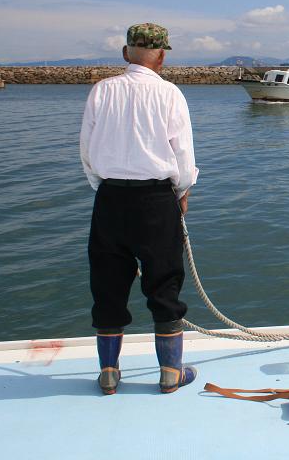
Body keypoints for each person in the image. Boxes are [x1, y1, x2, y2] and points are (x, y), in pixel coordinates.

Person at [79, 23, 199, 395]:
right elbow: (182, 153)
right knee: (163, 282)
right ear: (161, 56)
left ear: (126, 52)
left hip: (110, 199)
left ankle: (110, 374)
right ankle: (169, 374)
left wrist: (104, 189)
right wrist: (182, 192)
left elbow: (87, 150)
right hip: (156, 199)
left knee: (108, 284)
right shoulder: (170, 94)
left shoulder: (101, 91)